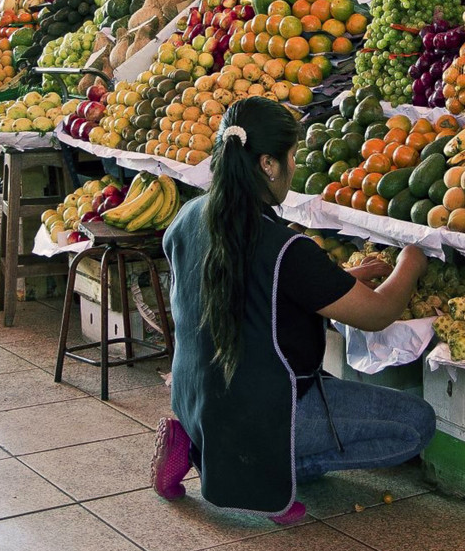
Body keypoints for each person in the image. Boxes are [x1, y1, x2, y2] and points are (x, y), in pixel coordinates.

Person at [151, 95, 436, 524]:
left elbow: (251, 287)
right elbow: (378, 314)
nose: (293, 168)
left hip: (196, 399)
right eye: (291, 157)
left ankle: (198, 442)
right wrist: (413, 258)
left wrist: (342, 278)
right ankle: (249, 465)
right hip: (265, 410)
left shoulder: (189, 216)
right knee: (417, 424)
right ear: (267, 164)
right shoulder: (285, 247)